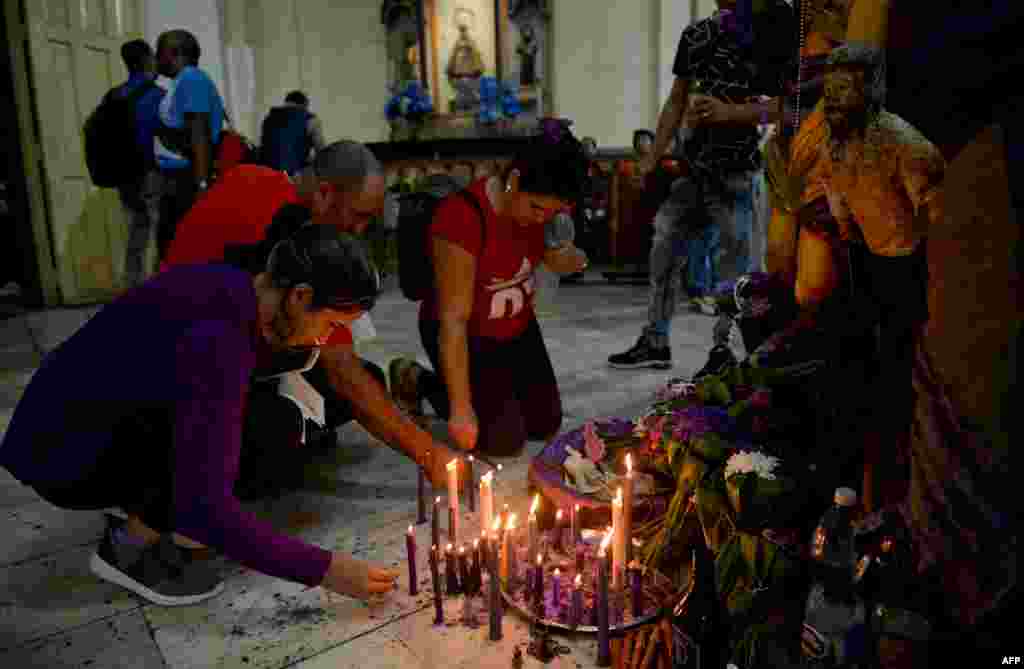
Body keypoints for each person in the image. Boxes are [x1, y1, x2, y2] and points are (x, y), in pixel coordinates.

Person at [0, 226, 403, 606]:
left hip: (67, 425)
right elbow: (206, 510)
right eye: (331, 324)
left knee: (267, 417)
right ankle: (127, 551)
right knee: (261, 433)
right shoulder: (219, 339)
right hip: (61, 456)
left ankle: (139, 506)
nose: (327, 338)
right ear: (299, 296)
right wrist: (328, 570)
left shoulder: (233, 286)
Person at [163, 141, 461, 500]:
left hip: (216, 343)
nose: (360, 230)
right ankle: (201, 489)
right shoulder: (287, 232)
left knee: (363, 379)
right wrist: (429, 455)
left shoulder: (256, 177)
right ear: (323, 194)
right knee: (286, 425)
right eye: (359, 215)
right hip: (184, 375)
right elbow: (341, 371)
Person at [608, 0, 794, 370]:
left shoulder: (774, 30)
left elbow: (792, 106)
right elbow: (676, 101)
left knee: (737, 272)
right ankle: (655, 340)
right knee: (662, 249)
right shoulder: (697, 35)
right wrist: (651, 158)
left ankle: (725, 352)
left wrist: (732, 113)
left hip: (740, 173)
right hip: (694, 172)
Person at [391, 127, 589, 457]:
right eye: (537, 208)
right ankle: (416, 379)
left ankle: (495, 393)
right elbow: (453, 320)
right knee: (503, 441)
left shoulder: (544, 214)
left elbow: (564, 258)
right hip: (469, 334)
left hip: (517, 327)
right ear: (514, 180)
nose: (541, 219)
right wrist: (460, 409)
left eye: (553, 213)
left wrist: (572, 259)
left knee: (545, 424)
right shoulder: (461, 218)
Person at [153, 29, 226, 260]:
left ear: (174, 53)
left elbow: (199, 133)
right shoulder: (182, 81)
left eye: (159, 52)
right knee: (173, 248)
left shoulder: (192, 79)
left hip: (186, 180)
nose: (156, 58)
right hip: (179, 179)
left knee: (179, 250)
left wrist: (201, 186)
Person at [114, 39, 166, 288]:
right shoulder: (158, 97)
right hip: (152, 173)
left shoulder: (114, 96)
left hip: (124, 175)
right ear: (147, 60)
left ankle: (132, 289)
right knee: (163, 234)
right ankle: (162, 290)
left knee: (136, 234)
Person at [259, 91, 327, 176]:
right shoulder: (311, 120)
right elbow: (322, 153)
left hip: (267, 174)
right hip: (294, 176)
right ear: (305, 105)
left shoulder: (268, 119)